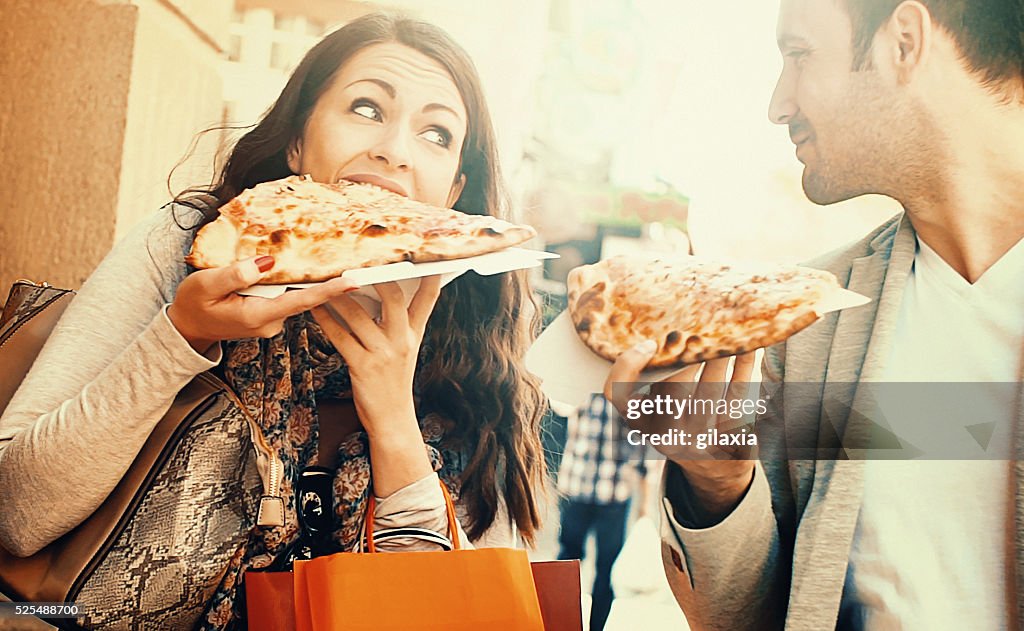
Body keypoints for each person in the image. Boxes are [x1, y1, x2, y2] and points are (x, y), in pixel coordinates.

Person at [0, 13, 546, 628]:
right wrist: (180, 338)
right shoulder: (194, 245)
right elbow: (16, 518)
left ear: (452, 194)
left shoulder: (477, 351)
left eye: (437, 134)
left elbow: (457, 614)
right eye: (366, 108)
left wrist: (393, 416)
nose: (393, 150)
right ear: (297, 142)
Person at [603, 0, 1024, 629]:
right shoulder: (811, 324)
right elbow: (750, 615)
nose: (778, 103)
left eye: (799, 55)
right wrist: (718, 485)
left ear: (903, 43)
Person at [555, 393, 649, 631]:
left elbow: (644, 442)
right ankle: (562, 624)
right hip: (577, 487)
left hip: (614, 491)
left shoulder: (631, 390)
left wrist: (643, 503)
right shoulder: (579, 384)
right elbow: (559, 404)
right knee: (567, 562)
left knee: (607, 568)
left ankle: (596, 627)